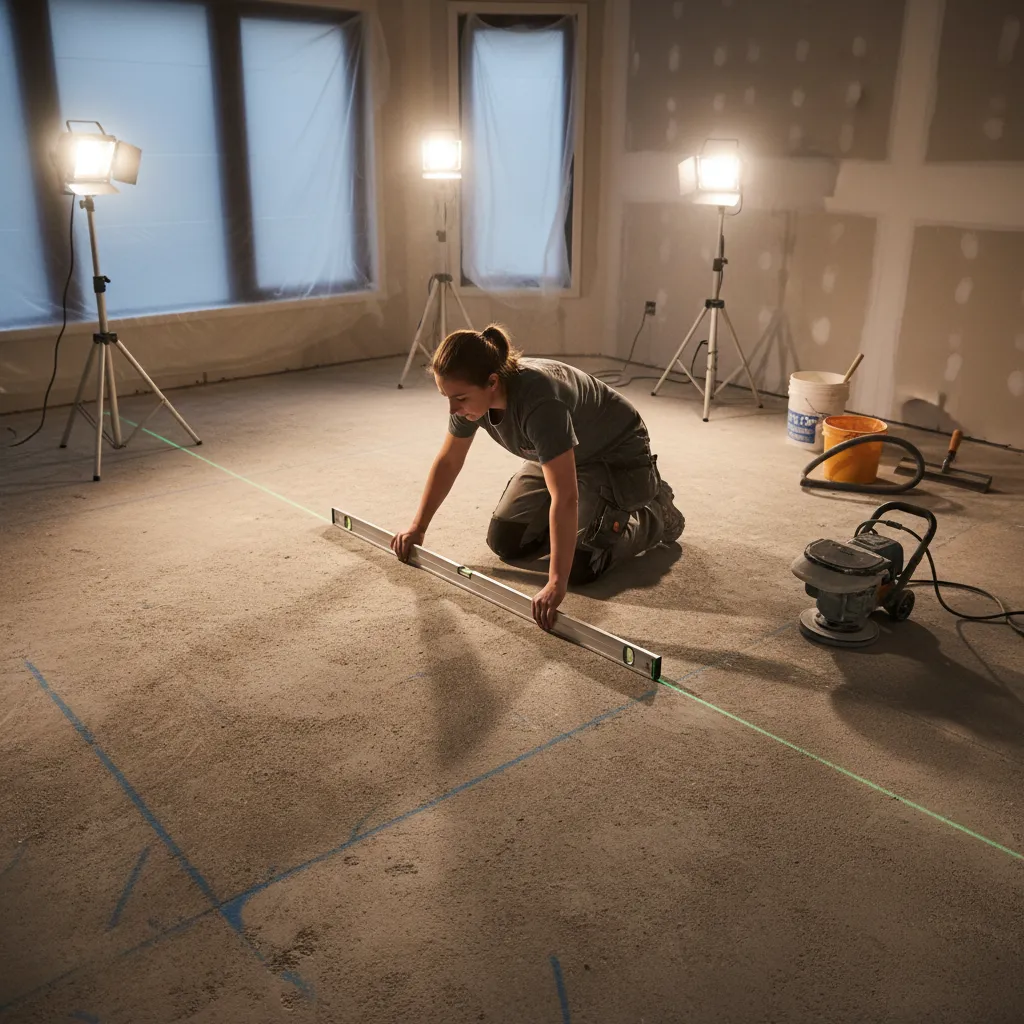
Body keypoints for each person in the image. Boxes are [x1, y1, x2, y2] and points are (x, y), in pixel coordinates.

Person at [390, 323, 684, 630]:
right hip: (554, 454)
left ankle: (654, 510)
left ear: (492, 382)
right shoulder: (470, 399)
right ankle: (592, 516)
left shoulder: (540, 402)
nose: (453, 408)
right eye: (446, 397)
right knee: (506, 541)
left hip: (611, 453)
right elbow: (449, 461)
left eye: (460, 398)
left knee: (580, 567)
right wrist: (417, 527)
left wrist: (556, 581)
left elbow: (565, 497)